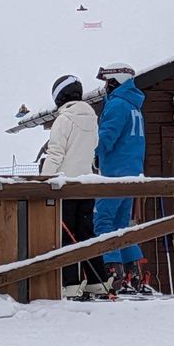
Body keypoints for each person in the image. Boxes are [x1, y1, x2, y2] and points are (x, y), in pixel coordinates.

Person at [41, 75, 108, 298]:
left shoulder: (64, 120)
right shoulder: (92, 119)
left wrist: (43, 182)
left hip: (65, 185)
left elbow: (55, 154)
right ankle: (96, 279)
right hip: (86, 184)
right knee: (86, 231)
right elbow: (93, 149)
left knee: (65, 233)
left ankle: (71, 281)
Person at [92, 63, 148, 294]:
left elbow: (106, 137)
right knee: (122, 226)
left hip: (113, 174)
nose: (105, 87)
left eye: (107, 82)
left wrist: (94, 155)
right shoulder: (135, 107)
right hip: (132, 173)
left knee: (104, 222)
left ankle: (111, 274)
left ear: (115, 81)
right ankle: (132, 274)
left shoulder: (117, 105)